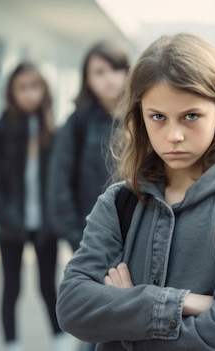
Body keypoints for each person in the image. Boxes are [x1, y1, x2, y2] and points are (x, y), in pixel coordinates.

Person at [56, 33, 215, 350]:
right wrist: (182, 303)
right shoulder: (118, 204)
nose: (174, 135)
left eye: (190, 116)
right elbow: (71, 307)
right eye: (158, 117)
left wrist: (126, 313)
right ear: (141, 117)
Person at [0, 62, 70, 351]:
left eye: (35, 86)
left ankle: (60, 340)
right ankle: (11, 344)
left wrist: (54, 220)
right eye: (22, 88)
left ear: (44, 90)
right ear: (11, 92)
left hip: (46, 226)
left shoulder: (54, 132)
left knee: (48, 287)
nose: (29, 94)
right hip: (12, 226)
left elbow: (60, 182)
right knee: (11, 288)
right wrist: (6, 217)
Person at [48, 41, 129, 253]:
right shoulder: (77, 124)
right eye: (99, 72)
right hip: (92, 237)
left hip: (137, 236)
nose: (109, 78)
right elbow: (59, 187)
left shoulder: (143, 118)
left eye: (116, 69)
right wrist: (79, 240)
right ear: (87, 79)